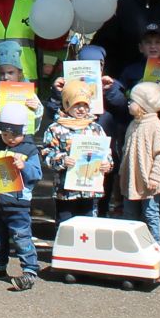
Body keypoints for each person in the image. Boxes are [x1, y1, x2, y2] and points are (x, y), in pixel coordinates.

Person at [0, 104, 42, 291]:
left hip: (17, 203)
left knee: (21, 237)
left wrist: (24, 167)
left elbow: (37, 174)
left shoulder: (29, 150)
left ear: (23, 130)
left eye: (14, 135)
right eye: (5, 134)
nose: (10, 139)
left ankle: (29, 270)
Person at [45, 79, 110, 226]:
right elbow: (47, 153)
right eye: (77, 104)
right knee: (66, 227)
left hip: (90, 190)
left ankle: (86, 250)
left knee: (88, 227)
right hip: (66, 191)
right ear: (67, 103)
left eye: (85, 105)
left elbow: (106, 152)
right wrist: (62, 160)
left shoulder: (95, 128)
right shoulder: (55, 129)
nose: (81, 109)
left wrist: (107, 164)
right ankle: (64, 250)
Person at [118, 82, 160, 242]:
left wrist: (155, 177)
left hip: (149, 182)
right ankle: (132, 243)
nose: (129, 103)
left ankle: (155, 244)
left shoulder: (156, 127)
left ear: (144, 105)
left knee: (150, 212)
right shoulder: (133, 123)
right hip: (132, 180)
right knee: (129, 213)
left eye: (133, 101)